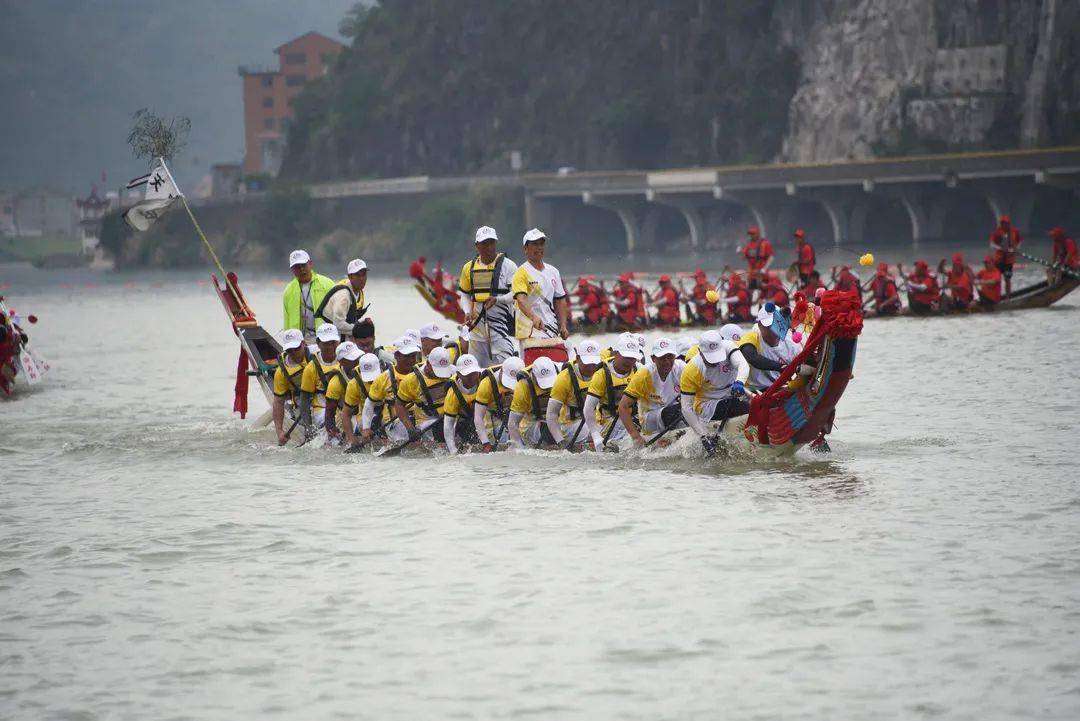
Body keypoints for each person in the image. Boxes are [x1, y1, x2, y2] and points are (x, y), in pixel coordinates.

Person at [679, 329, 750, 455]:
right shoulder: (692, 369)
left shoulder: (728, 346)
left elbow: (743, 365)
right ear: (700, 352)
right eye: (710, 357)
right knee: (747, 408)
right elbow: (686, 408)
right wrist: (703, 436)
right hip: (707, 405)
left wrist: (739, 381)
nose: (715, 361)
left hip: (734, 392)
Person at [458, 226, 519, 367]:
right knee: (476, 371)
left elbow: (517, 294)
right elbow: (465, 294)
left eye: (491, 242)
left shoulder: (509, 266)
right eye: (484, 243)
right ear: (477, 246)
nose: (489, 247)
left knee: (505, 369)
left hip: (502, 330)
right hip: (477, 332)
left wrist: (498, 300)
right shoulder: (469, 267)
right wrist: (467, 312)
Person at [620, 337, 684, 447]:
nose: (667, 362)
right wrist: (636, 437)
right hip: (649, 419)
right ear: (653, 358)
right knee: (681, 410)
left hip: (673, 412)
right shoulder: (644, 374)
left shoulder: (681, 368)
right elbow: (623, 407)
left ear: (675, 356)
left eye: (670, 357)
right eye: (662, 357)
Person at [359, 336, 421, 444]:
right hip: (395, 423)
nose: (411, 360)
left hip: (419, 420)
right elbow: (369, 404)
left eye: (413, 356)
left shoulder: (421, 374)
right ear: (396, 355)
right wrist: (366, 429)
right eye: (407, 356)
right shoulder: (383, 378)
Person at [583, 336, 640, 450]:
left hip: (635, 418)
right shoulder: (601, 374)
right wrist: (595, 436)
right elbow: (588, 408)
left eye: (632, 358)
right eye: (626, 357)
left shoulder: (640, 370)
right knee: (623, 425)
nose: (629, 361)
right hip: (610, 421)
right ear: (616, 353)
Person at [512, 228, 570, 341]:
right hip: (529, 333)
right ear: (525, 248)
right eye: (534, 244)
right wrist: (533, 317)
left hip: (551, 331)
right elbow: (521, 300)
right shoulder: (521, 272)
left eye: (541, 244)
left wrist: (563, 325)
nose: (539, 248)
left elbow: (560, 300)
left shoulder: (553, 271)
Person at [545, 339, 602, 448]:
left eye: (594, 363)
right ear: (578, 359)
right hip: (571, 425)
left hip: (597, 421)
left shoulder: (602, 372)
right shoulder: (564, 378)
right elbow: (551, 414)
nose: (591, 367)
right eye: (587, 363)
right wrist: (560, 442)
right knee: (594, 431)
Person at [393, 346, 455, 442]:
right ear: (428, 363)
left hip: (451, 417)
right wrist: (410, 429)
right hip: (428, 423)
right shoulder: (411, 380)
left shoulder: (455, 372)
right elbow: (399, 405)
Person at [737, 304, 803, 391]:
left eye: (776, 324)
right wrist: (781, 367)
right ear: (760, 325)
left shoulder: (792, 344)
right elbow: (752, 358)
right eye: (768, 326)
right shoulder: (752, 336)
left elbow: (805, 368)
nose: (773, 330)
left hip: (782, 388)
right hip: (756, 390)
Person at [473, 356, 525, 452]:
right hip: (493, 415)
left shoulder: (524, 381)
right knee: (502, 444)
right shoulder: (486, 383)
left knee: (524, 443)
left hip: (516, 414)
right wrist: (485, 443)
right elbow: (478, 417)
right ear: (501, 371)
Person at [298, 323, 341, 434]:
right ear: (318, 343)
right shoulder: (311, 368)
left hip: (344, 408)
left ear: (338, 342)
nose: (331, 347)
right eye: (326, 343)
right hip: (322, 409)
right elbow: (304, 400)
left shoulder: (346, 360)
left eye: (333, 343)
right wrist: (308, 427)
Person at [508, 356, 560, 448]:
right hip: (532, 424)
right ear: (534, 376)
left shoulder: (562, 375)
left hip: (556, 420)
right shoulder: (523, 386)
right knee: (548, 429)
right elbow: (512, 423)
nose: (548, 388)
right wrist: (519, 447)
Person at [283, 249, 335, 339]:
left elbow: (339, 312)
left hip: (325, 338)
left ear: (310, 264)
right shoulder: (288, 290)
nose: (301, 269)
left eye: (303, 265)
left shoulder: (327, 284)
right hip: (300, 341)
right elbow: (287, 320)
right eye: (296, 267)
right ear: (292, 269)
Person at [272, 328, 309, 446]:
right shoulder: (281, 372)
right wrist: (279, 431)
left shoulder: (317, 355)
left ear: (304, 344)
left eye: (296, 348)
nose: (293, 353)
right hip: (301, 402)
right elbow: (278, 402)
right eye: (289, 350)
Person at [315, 258, 369, 336]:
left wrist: (363, 322)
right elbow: (338, 325)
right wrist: (360, 328)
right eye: (357, 275)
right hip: (329, 337)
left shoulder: (357, 290)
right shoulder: (343, 296)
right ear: (350, 277)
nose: (361, 278)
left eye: (364, 274)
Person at [442, 354, 483, 454]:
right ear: (458, 374)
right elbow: (448, 425)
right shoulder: (452, 394)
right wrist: (452, 449)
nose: (472, 377)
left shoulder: (485, 381)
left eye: (474, 373)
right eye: (467, 374)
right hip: (466, 421)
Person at [342, 352, 383, 450]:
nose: (372, 382)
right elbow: (346, 414)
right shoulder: (353, 385)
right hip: (366, 416)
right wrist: (352, 440)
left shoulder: (389, 376)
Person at [324, 341, 363, 442]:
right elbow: (329, 413)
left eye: (357, 357)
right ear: (341, 362)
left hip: (363, 412)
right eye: (353, 359)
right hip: (346, 417)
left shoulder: (365, 371)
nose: (357, 361)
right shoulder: (335, 383)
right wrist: (332, 431)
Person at [990, 215, 1022, 295]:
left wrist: (1016, 249)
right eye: (1002, 223)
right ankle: (996, 295)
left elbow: (1019, 242)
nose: (1004, 224)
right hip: (999, 260)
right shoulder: (997, 232)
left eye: (1005, 223)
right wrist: (1000, 248)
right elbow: (992, 244)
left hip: (1009, 261)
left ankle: (1008, 296)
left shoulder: (1014, 231)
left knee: (1007, 279)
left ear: (1009, 223)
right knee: (997, 279)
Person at [741, 225, 773, 292]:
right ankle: (750, 302)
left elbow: (771, 257)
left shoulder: (765, 244)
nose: (751, 236)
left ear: (758, 234)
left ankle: (763, 301)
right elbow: (743, 257)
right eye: (750, 234)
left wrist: (764, 268)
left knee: (764, 292)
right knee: (749, 292)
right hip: (752, 274)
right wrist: (740, 252)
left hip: (762, 274)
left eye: (753, 234)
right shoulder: (748, 245)